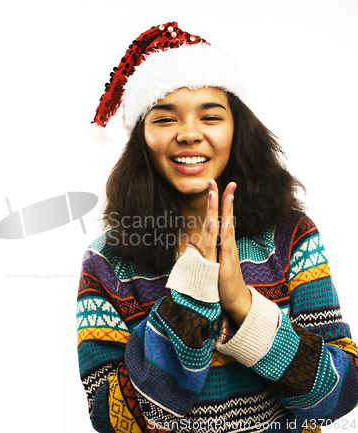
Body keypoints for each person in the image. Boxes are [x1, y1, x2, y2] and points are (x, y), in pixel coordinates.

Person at [76, 22, 358, 433]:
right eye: (164, 119)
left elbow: (343, 393)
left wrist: (244, 306)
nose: (189, 134)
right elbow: (114, 421)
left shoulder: (290, 236)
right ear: (142, 139)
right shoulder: (107, 262)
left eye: (210, 116)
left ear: (236, 130)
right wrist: (190, 296)